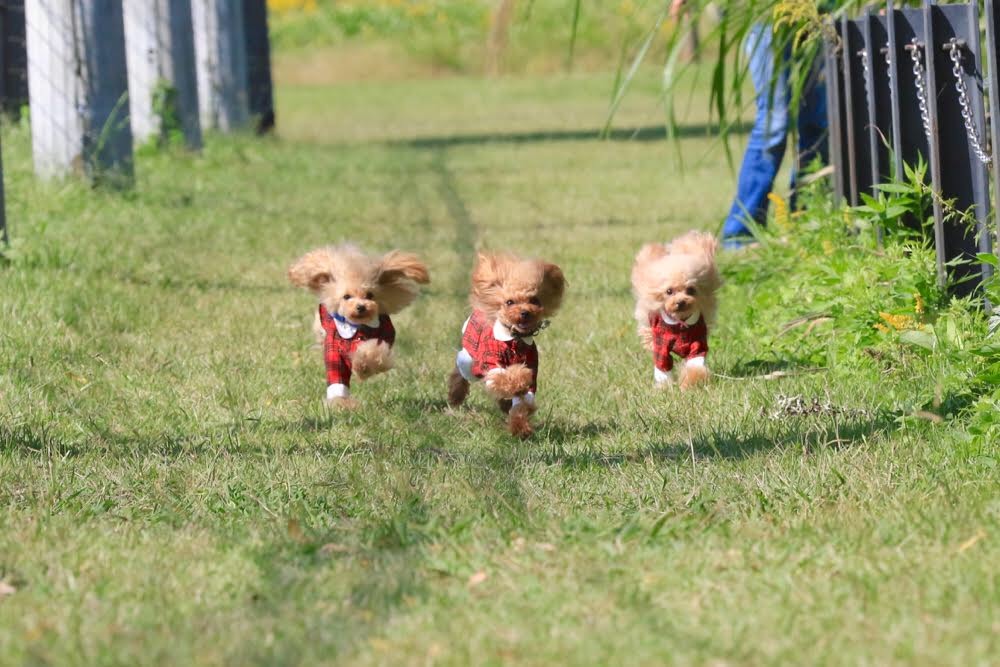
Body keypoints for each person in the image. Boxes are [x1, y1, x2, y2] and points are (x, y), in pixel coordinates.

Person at [721, 22, 828, 249]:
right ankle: (740, 233)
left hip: (818, 13)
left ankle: (805, 220)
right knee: (774, 122)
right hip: (768, 16)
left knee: (817, 122)